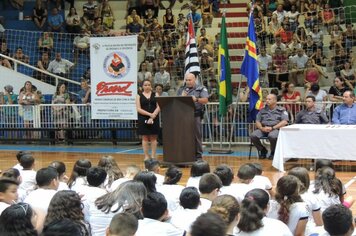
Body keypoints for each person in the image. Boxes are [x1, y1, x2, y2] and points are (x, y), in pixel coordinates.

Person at [177, 73, 209, 159]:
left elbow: (205, 100)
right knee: (184, 136)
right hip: (183, 115)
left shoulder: (201, 88)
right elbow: (176, 102)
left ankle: (198, 155)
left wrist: (196, 99)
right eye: (186, 80)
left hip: (195, 115)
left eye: (189, 80)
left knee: (196, 135)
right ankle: (186, 154)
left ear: (195, 79)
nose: (188, 82)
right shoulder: (181, 89)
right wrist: (181, 97)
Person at [250, 93, 289, 159]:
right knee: (253, 135)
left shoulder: (281, 110)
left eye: (269, 99)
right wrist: (261, 128)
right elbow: (257, 121)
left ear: (275, 100)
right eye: (266, 99)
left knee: (272, 136)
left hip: (275, 129)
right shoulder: (262, 110)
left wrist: (273, 127)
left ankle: (273, 152)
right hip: (263, 128)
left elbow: (285, 121)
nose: (267, 101)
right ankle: (262, 150)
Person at [136, 79, 160, 160]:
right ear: (142, 86)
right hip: (143, 118)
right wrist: (150, 115)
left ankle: (153, 156)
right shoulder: (138, 95)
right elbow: (138, 109)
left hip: (155, 117)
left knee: (153, 137)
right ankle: (146, 156)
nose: (147, 86)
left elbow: (159, 106)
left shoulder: (155, 94)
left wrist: (153, 115)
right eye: (145, 85)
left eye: (149, 85)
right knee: (145, 138)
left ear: (151, 86)